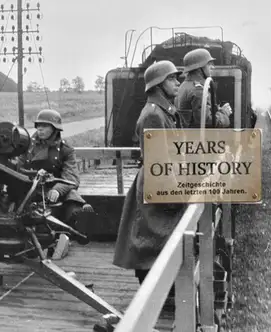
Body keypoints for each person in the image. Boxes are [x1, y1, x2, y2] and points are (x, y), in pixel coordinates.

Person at [113, 61, 187, 313]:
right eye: (172, 79)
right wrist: (174, 193)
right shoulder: (154, 114)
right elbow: (159, 159)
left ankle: (163, 290)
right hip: (158, 181)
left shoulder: (164, 111)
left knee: (160, 236)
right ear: (158, 84)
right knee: (151, 237)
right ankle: (154, 291)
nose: (178, 82)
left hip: (163, 178)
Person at [16, 109, 94, 238]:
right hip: (29, 187)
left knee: (74, 204)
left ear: (55, 129)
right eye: (38, 126)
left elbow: (72, 178)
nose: (40, 129)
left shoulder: (65, 150)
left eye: (45, 126)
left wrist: (57, 190)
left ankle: (66, 234)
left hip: (53, 189)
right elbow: (18, 166)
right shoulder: (27, 146)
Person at [176, 48, 232, 128]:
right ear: (199, 67)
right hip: (198, 139)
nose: (212, 67)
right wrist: (224, 113)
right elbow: (208, 123)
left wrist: (216, 110)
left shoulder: (183, 86)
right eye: (209, 64)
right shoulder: (199, 90)